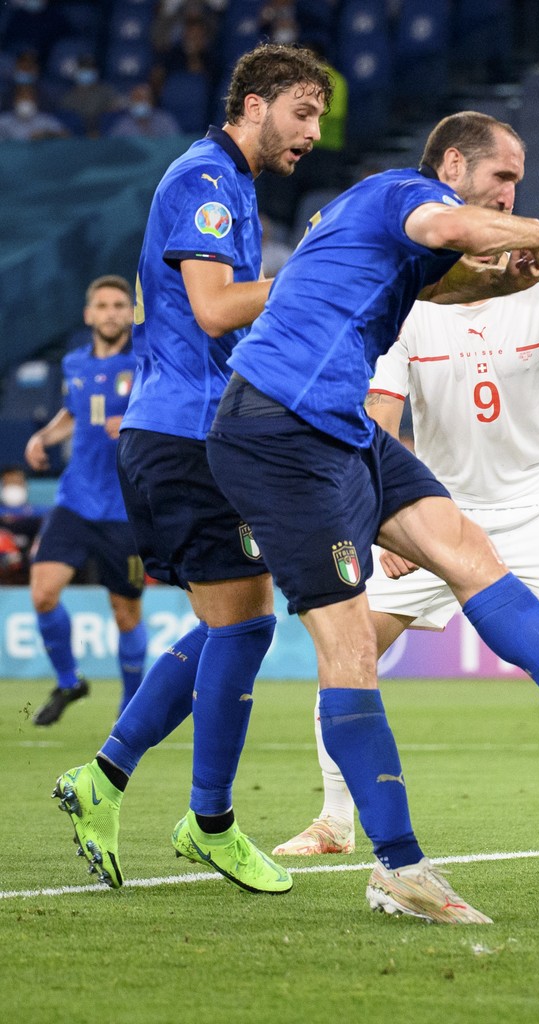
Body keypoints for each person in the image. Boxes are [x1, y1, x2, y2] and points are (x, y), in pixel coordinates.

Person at [201, 111, 539, 922]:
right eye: (502, 178)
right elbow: (450, 225)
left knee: (466, 550)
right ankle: (395, 865)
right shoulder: (405, 195)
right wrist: (529, 231)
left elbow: (454, 279)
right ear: (454, 163)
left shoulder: (410, 260)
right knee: (352, 647)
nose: (508, 196)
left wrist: (513, 277)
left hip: (340, 429)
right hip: (275, 431)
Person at [272, 277, 539, 864]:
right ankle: (334, 820)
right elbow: (380, 415)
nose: (499, 215)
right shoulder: (409, 303)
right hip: (436, 506)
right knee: (350, 644)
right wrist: (383, 509)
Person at [52, 43, 334, 900]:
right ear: (253, 104)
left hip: (197, 434)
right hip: (184, 439)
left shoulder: (230, 185)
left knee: (233, 626)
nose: (313, 134)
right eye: (303, 113)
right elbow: (214, 309)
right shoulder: (206, 180)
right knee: (245, 630)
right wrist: (312, 275)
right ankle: (208, 822)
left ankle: (106, 775)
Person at [23, 276, 146, 727]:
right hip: (75, 501)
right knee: (42, 594)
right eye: (103, 305)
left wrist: (134, 422)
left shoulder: (146, 362)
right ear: (88, 314)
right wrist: (44, 435)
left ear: (129, 313)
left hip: (124, 509)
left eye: (120, 304)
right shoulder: (75, 364)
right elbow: (74, 412)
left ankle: (133, 707)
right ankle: (69, 681)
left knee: (126, 613)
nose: (112, 312)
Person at [58, 57, 120, 138]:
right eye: (83, 70)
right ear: (76, 73)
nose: (86, 73)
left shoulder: (106, 91)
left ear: (96, 73)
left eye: (89, 70)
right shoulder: (68, 97)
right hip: (76, 138)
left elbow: (116, 107)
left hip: (102, 135)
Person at [109, 82, 181, 138]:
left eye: (145, 98)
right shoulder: (123, 124)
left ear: (152, 101)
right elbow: (114, 147)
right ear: (131, 102)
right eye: (137, 98)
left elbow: (176, 144)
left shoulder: (165, 120)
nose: (141, 102)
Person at [0, 84, 68, 140]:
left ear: (35, 101)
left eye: (29, 98)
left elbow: (66, 136)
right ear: (14, 101)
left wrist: (47, 134)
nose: (25, 101)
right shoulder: (3, 120)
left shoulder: (45, 120)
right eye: (22, 97)